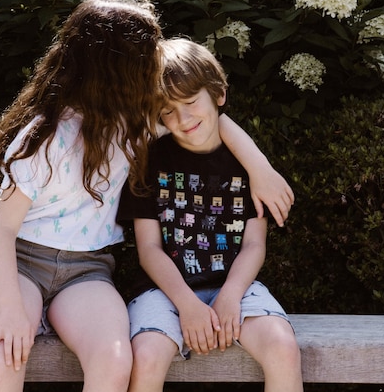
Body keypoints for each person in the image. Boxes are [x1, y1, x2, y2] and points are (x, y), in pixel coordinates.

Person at [0, 0, 294, 392]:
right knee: (5, 353)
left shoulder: (133, 126)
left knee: (116, 359)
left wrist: (258, 168)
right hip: (18, 262)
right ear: (116, 71)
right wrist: (14, 312)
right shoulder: (45, 136)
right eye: (147, 58)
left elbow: (209, 119)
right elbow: (1, 233)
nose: (156, 65)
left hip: (86, 272)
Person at [119, 38, 303, 392]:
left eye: (190, 102)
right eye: (167, 111)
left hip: (235, 284)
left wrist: (232, 295)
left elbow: (253, 245)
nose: (182, 118)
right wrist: (187, 305)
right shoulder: (150, 161)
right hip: (163, 291)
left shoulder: (248, 165)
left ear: (218, 94)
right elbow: (149, 250)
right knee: (146, 355)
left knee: (281, 345)